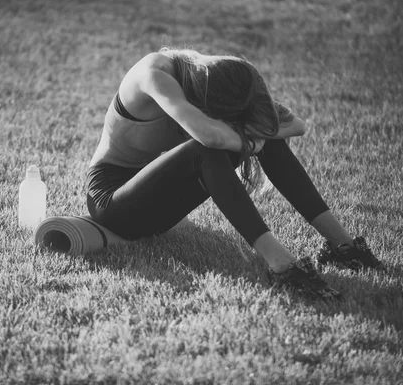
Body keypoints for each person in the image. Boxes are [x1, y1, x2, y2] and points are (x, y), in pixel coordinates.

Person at [86, 48, 385, 300]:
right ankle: (282, 266)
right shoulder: (154, 75)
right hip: (113, 203)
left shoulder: (221, 77)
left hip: (158, 205)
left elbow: (298, 125)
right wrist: (253, 138)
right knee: (210, 146)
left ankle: (344, 246)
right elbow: (210, 137)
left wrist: (256, 134)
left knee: (269, 138)